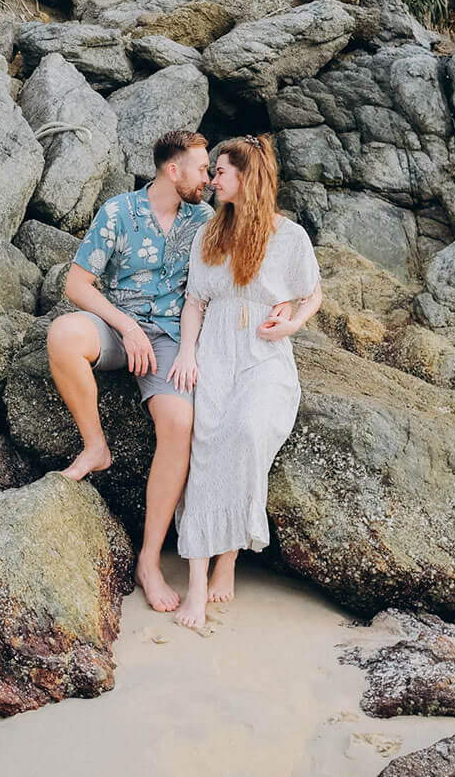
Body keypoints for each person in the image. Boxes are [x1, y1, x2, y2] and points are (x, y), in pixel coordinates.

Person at [46, 129, 213, 613]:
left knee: (180, 424)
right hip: (117, 326)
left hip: (169, 340)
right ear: (172, 169)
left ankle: (149, 560)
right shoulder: (118, 212)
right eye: (201, 168)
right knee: (62, 336)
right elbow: (77, 284)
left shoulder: (204, 219)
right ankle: (96, 446)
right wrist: (125, 326)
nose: (207, 177)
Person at [168, 134, 323, 631]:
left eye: (221, 172)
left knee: (248, 431)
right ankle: (195, 584)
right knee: (207, 445)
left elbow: (312, 295)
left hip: (264, 356)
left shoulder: (289, 236)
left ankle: (229, 554)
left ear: (246, 178)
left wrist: (293, 322)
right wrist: (188, 353)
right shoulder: (210, 234)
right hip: (215, 350)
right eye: (212, 172)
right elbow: (196, 302)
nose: (212, 179)